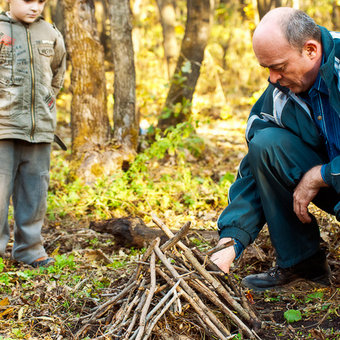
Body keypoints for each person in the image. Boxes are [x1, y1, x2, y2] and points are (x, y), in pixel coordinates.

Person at [211, 7, 340, 291]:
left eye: (279, 67)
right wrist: (232, 239)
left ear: (310, 50)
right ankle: (302, 264)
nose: (272, 78)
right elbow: (257, 168)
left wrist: (322, 174)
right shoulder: (279, 95)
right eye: (266, 68)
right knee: (267, 144)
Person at [0, 0, 66, 267]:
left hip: (40, 129)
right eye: (28, 0)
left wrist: (46, 102)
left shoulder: (50, 33)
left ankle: (30, 250)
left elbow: (57, 73)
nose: (35, 7)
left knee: (34, 193)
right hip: (3, 127)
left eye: (41, 1)